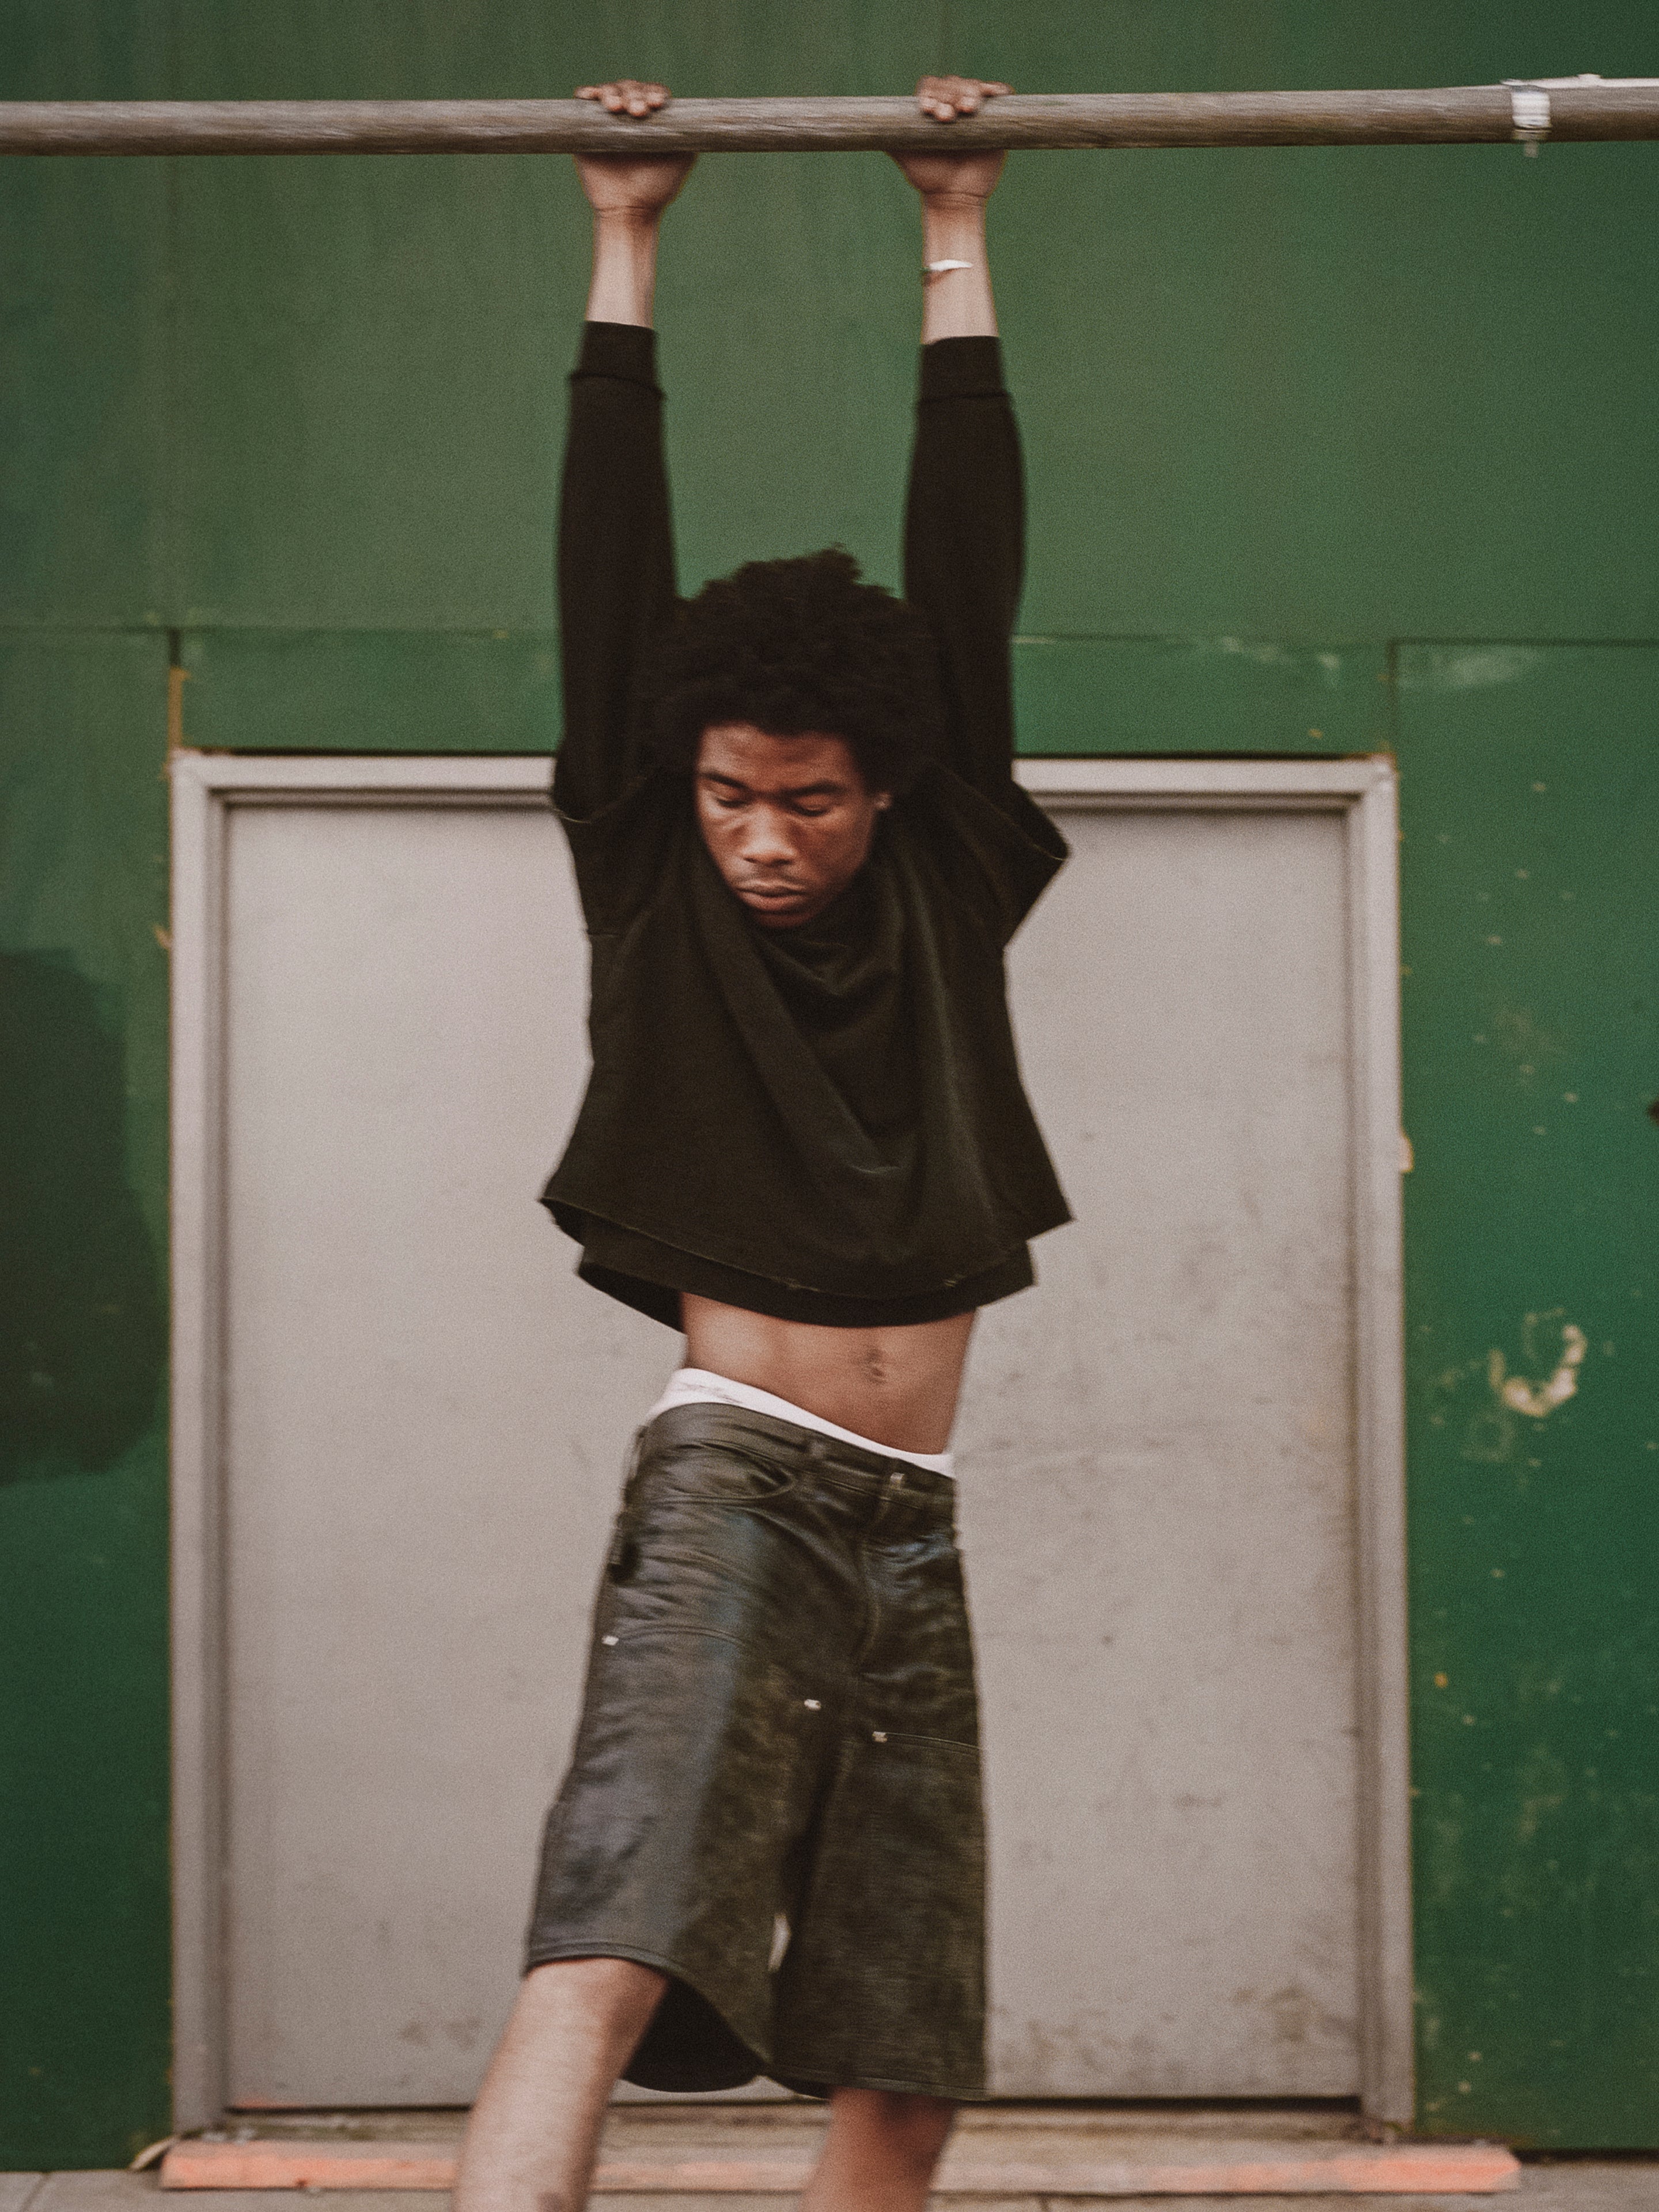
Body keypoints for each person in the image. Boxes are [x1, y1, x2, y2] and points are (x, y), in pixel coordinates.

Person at [456, 71, 1070, 2212]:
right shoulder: (650, 871)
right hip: (739, 1491)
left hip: (916, 1524)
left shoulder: (951, 871)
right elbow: (607, 578)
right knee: (610, 1950)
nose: (764, 838)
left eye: (807, 800)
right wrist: (624, 240)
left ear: (885, 785)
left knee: (904, 2068)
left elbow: (968, 569)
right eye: (731, 795)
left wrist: (956, 227)